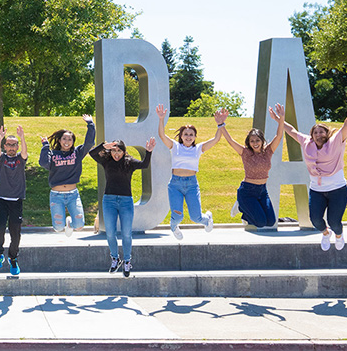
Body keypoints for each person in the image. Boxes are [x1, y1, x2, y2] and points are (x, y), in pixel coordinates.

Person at [275, 91, 347, 250]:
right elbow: (292, 131)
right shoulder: (306, 142)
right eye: (315, 132)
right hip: (317, 190)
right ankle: (325, 234)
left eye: (322, 131)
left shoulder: (336, 140)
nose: (318, 134)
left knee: (334, 222)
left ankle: (338, 234)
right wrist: (280, 119)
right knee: (315, 220)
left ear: (327, 133)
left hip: (337, 189)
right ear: (312, 135)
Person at [156, 104, 226, 240]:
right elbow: (162, 135)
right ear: (181, 136)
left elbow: (216, 139)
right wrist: (161, 119)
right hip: (175, 184)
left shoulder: (198, 148)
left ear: (195, 137)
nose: (188, 137)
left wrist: (220, 124)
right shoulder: (175, 146)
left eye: (191, 134)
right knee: (178, 215)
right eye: (186, 134)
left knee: (196, 217)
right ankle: (174, 226)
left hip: (192, 185)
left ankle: (207, 219)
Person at [90, 138, 155, 277]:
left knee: (126, 233)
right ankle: (115, 258)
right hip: (109, 200)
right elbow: (92, 154)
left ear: (124, 151)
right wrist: (103, 146)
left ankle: (127, 260)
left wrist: (148, 152)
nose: (116, 154)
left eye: (119, 151)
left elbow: (144, 164)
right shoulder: (106, 161)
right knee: (110, 233)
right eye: (114, 151)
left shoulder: (129, 162)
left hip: (126, 201)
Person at [215, 107, 284, 229]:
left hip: (262, 191)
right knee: (260, 223)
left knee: (270, 222)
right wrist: (221, 124)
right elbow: (230, 141)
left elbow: (279, 136)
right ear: (249, 142)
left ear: (262, 141)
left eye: (257, 140)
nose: (255, 143)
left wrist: (281, 119)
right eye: (252, 141)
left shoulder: (268, 151)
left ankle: (244, 207)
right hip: (247, 191)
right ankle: (242, 207)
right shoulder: (245, 153)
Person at [39, 114, 96, 237]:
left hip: (73, 195)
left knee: (79, 226)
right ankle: (65, 223)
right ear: (59, 140)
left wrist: (90, 124)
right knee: (58, 228)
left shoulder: (77, 153)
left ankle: (70, 222)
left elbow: (89, 143)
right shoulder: (53, 154)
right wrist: (45, 147)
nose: (67, 142)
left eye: (70, 139)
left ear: (73, 142)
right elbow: (44, 163)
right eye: (64, 139)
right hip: (56, 196)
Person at [0, 125, 28, 276]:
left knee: (15, 232)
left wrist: (22, 137)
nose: (12, 147)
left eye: (14, 145)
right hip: (1, 198)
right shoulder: (2, 159)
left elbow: (25, 152)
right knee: (0, 226)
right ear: (5, 146)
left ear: (17, 146)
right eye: (9, 144)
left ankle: (13, 258)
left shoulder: (21, 159)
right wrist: (0, 138)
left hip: (16, 200)